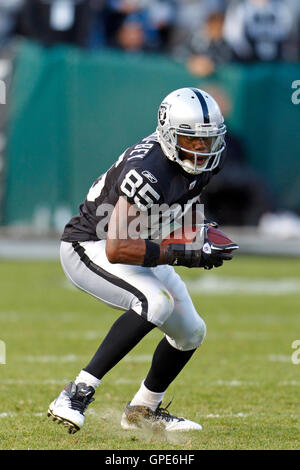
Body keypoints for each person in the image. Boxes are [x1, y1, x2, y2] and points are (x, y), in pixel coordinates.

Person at [47, 87, 234, 434]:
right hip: (91, 245)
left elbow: (184, 201)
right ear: (168, 134)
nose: (202, 150)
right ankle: (75, 394)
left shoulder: (206, 161)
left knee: (191, 332)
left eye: (208, 141)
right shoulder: (147, 170)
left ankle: (143, 410)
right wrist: (183, 253)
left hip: (138, 243)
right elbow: (118, 247)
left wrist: (200, 234)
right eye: (192, 141)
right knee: (155, 302)